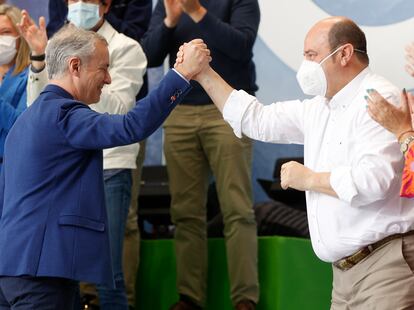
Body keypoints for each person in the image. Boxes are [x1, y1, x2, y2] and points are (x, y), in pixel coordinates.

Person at [180, 16, 414, 309]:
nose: (306, 66)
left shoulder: (379, 98)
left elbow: (374, 181)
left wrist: (310, 179)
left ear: (344, 54)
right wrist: (203, 74)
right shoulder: (321, 107)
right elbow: (258, 120)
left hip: (383, 267)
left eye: (312, 56)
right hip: (344, 276)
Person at [0, 25, 210, 309]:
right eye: (103, 69)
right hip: (44, 273)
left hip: (16, 268)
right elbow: (131, 125)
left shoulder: (23, 122)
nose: (109, 79)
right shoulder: (64, 115)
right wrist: (181, 75)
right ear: (75, 66)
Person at [19, 1, 147, 308]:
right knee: (72, 267)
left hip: (111, 164)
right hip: (66, 168)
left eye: (86, 0)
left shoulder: (127, 47)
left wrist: (79, 79)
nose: (77, 6)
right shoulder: (57, 46)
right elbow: (39, 109)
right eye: (72, 0)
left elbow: (118, 111)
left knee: (110, 270)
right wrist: (39, 60)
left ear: (105, 5)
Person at [142, 1, 260, 309]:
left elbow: (241, 47)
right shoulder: (169, 3)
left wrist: (197, 12)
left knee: (237, 209)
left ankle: (245, 299)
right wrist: (169, 20)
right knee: (185, 213)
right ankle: (190, 297)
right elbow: (150, 56)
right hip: (179, 112)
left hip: (229, 109)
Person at [0, 4, 30, 172]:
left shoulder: (32, 76)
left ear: (21, 36)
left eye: (5, 32)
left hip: (11, 170)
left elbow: (21, 126)